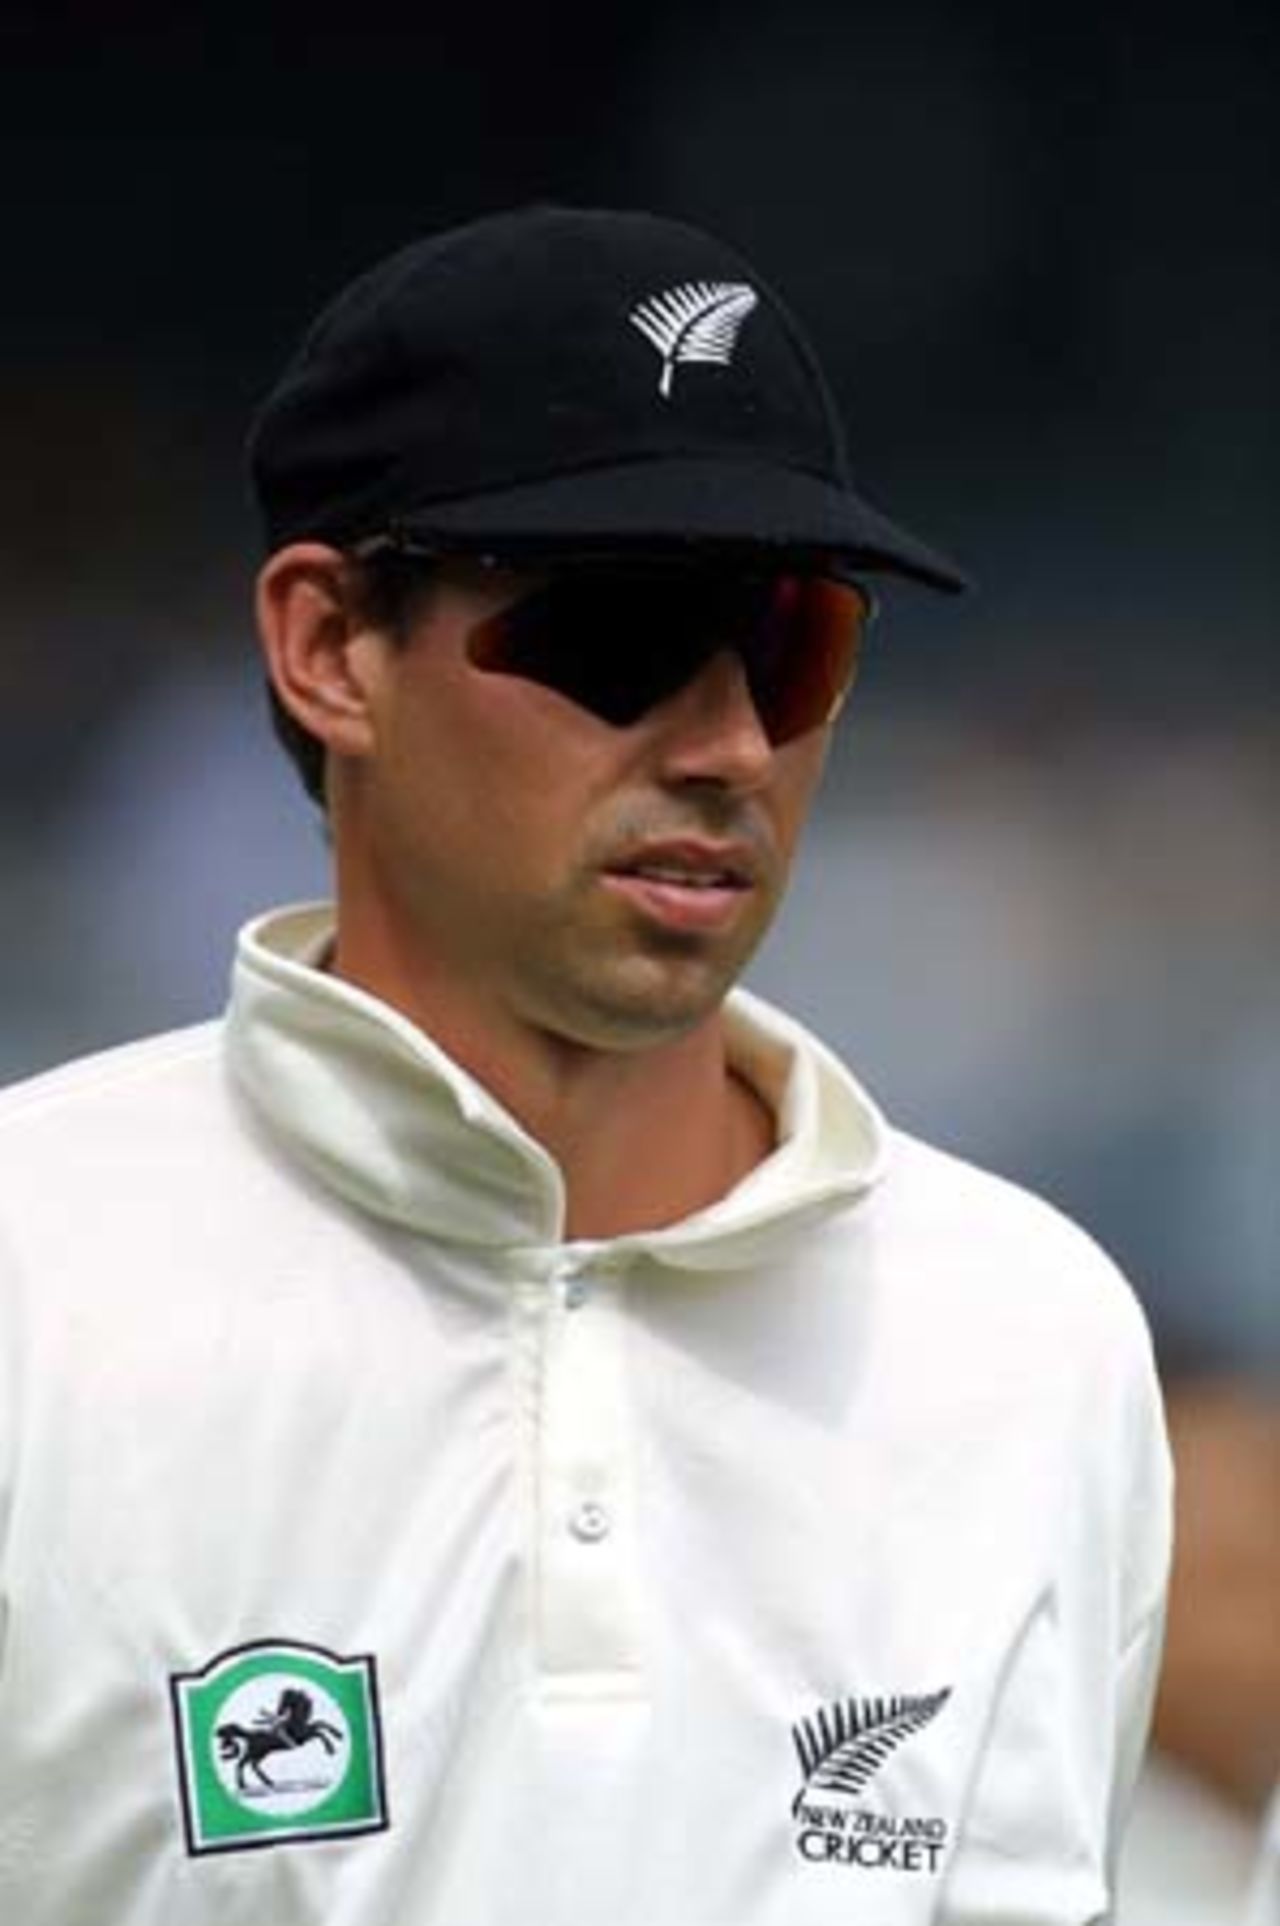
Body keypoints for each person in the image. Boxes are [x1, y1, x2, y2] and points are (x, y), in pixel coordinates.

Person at [0, 205, 1171, 1924]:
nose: (723, 745)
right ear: (330, 647)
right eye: (614, 633)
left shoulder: (1035, 1336)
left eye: (791, 644)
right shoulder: (32, 1265)